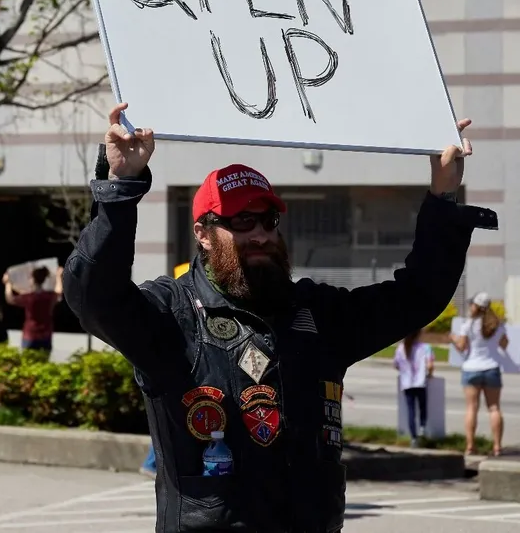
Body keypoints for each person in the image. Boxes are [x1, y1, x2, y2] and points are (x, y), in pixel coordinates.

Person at [62, 102, 496, 532]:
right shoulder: (172, 314)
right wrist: (121, 188)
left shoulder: (315, 313)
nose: (260, 234)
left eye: (268, 220)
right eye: (242, 220)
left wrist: (442, 195)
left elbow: (417, 296)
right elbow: (96, 298)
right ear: (203, 234)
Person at [451, 291, 509, 456]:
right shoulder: (496, 325)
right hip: (491, 368)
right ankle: (497, 446)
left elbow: (462, 347)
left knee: (471, 408)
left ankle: (470, 446)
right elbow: (504, 344)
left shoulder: (468, 325)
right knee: (494, 408)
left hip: (471, 369)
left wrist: (454, 339)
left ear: (475, 306)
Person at [3, 266, 63, 354]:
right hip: (46, 336)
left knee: (28, 364)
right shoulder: (48, 297)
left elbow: (10, 299)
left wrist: (7, 284)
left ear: (32, 279)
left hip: (30, 336)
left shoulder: (28, 297)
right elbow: (59, 292)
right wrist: (58, 277)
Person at [393, 329, 434, 447]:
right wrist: (430, 374)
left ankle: (413, 438)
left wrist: (404, 370)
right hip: (420, 382)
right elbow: (430, 365)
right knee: (422, 407)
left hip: (407, 383)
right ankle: (422, 427)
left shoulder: (401, 348)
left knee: (411, 410)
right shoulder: (425, 348)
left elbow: (395, 364)